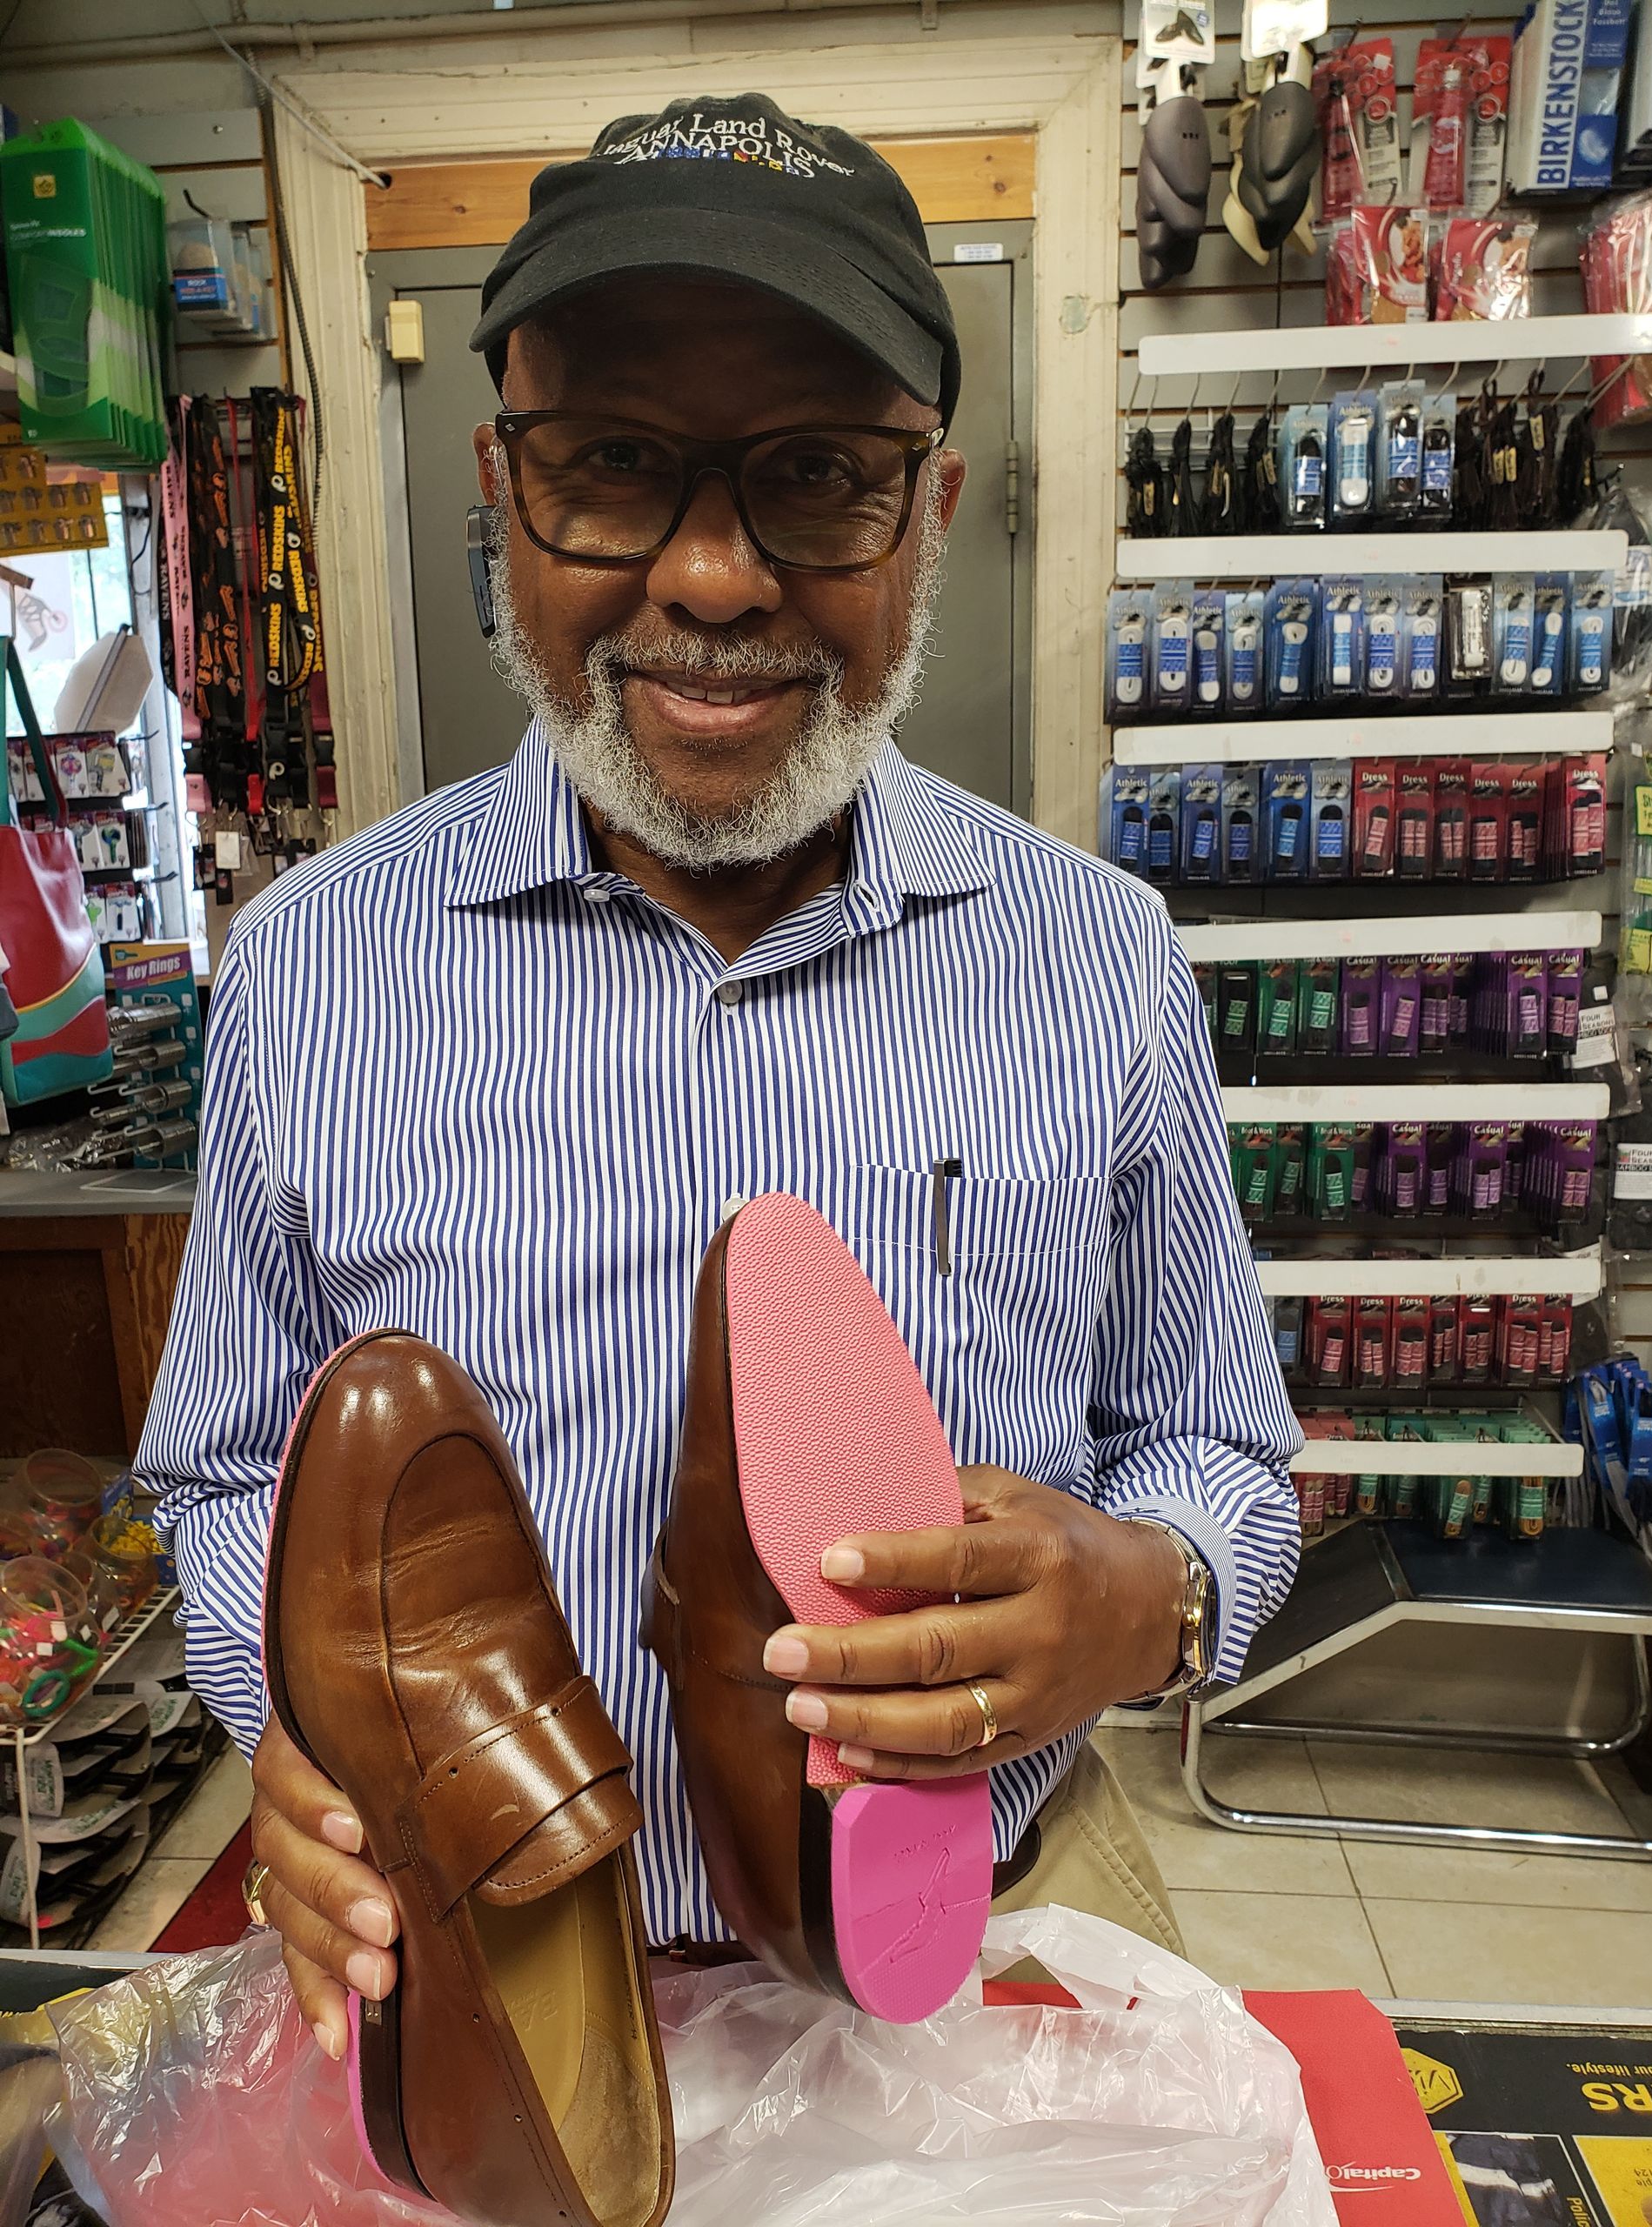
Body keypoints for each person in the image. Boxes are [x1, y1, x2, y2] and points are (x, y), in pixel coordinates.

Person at [136, 94, 1301, 2063]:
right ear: (503, 492)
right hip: (493, 1976)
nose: (709, 574)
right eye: (613, 465)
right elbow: (229, 1468)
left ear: (928, 514)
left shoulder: (1094, 957)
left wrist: (1152, 1590)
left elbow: (1219, 1445)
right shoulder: (315, 970)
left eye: (817, 477)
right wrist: (304, 1734)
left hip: (977, 1949)